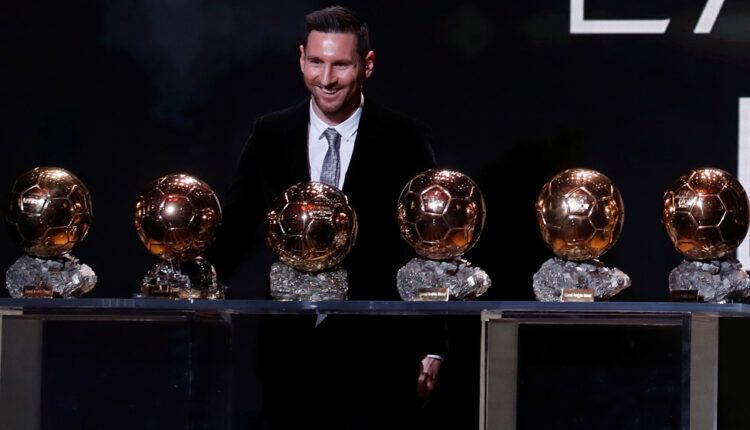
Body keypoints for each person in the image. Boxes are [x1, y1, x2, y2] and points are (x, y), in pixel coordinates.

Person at [208, 6, 444, 429]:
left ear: (366, 65)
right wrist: (189, 283)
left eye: (341, 64)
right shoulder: (270, 134)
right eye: (316, 62)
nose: (326, 79)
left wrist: (433, 345)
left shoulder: (404, 138)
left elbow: (428, 245)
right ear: (302, 58)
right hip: (287, 347)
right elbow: (237, 228)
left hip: (377, 350)